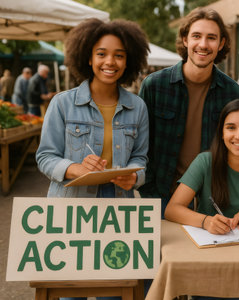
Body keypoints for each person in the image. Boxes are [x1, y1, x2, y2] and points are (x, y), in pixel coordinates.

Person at [35, 18, 149, 300]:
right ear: (88, 56)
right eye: (102, 53)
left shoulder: (138, 107)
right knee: (71, 290)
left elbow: (141, 157)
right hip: (72, 207)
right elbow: (45, 156)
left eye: (119, 55)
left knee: (114, 290)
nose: (110, 61)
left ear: (128, 60)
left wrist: (135, 177)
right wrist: (74, 167)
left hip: (119, 208)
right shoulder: (62, 103)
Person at [138, 7, 239, 216]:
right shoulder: (155, 85)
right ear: (185, 39)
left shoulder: (234, 92)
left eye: (212, 38)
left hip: (212, 199)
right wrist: (148, 189)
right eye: (196, 36)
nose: (203, 45)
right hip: (161, 195)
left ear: (221, 43)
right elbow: (141, 143)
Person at [165, 99, 239, 300]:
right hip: (208, 258)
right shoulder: (204, 162)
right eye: (231, 128)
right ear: (222, 133)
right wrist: (206, 221)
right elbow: (172, 209)